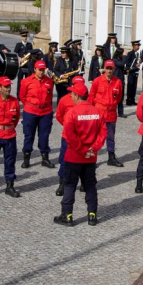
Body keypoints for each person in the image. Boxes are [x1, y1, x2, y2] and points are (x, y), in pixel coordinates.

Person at [55, 82, 108, 227]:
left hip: (74, 156)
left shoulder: (72, 113)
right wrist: (93, 149)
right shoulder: (98, 112)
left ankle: (67, 215)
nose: (71, 96)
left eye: (72, 94)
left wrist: (81, 149)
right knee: (90, 186)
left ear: (77, 96)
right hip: (90, 157)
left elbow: (70, 136)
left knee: (70, 185)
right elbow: (103, 133)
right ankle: (92, 215)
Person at [19, 61, 56, 169]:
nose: (41, 72)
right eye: (39, 70)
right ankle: (26, 158)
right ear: (34, 69)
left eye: (43, 70)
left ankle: (45, 158)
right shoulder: (26, 81)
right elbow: (22, 96)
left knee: (44, 136)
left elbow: (49, 97)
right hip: (31, 112)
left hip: (45, 112)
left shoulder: (49, 81)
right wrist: (31, 106)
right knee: (29, 135)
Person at [55, 76, 86, 196]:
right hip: (68, 136)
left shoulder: (87, 100)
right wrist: (69, 128)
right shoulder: (64, 100)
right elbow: (59, 115)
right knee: (64, 160)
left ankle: (84, 182)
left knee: (84, 160)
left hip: (83, 136)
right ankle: (62, 182)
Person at [89, 59, 124, 167]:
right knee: (95, 137)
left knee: (111, 136)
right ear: (104, 68)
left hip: (111, 113)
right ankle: (91, 158)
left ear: (114, 69)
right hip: (99, 113)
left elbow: (118, 98)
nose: (109, 70)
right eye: (107, 68)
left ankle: (111, 157)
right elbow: (91, 97)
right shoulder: (97, 81)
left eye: (111, 68)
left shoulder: (118, 82)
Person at [125, 40, 142, 106]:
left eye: (138, 45)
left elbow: (138, 61)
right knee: (130, 86)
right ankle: (128, 100)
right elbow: (127, 62)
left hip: (136, 71)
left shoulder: (138, 54)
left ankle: (132, 99)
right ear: (133, 46)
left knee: (134, 86)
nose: (137, 47)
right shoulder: (130, 53)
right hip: (131, 71)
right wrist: (135, 65)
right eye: (136, 45)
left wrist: (140, 62)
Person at [111, 46, 126, 118]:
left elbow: (123, 67)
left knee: (121, 97)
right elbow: (122, 64)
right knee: (114, 96)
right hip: (116, 80)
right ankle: (113, 111)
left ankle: (121, 112)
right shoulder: (114, 60)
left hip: (121, 79)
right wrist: (125, 56)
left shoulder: (119, 59)